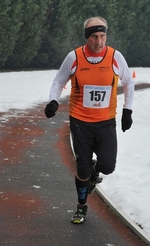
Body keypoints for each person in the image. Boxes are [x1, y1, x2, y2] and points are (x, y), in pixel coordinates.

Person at [44, 16, 135, 224]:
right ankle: (81, 207)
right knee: (82, 168)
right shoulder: (74, 57)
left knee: (108, 165)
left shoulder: (115, 57)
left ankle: (95, 173)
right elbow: (58, 81)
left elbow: (129, 83)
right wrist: (53, 102)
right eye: (95, 36)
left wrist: (127, 111)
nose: (99, 41)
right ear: (88, 37)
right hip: (80, 123)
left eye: (103, 36)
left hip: (106, 123)